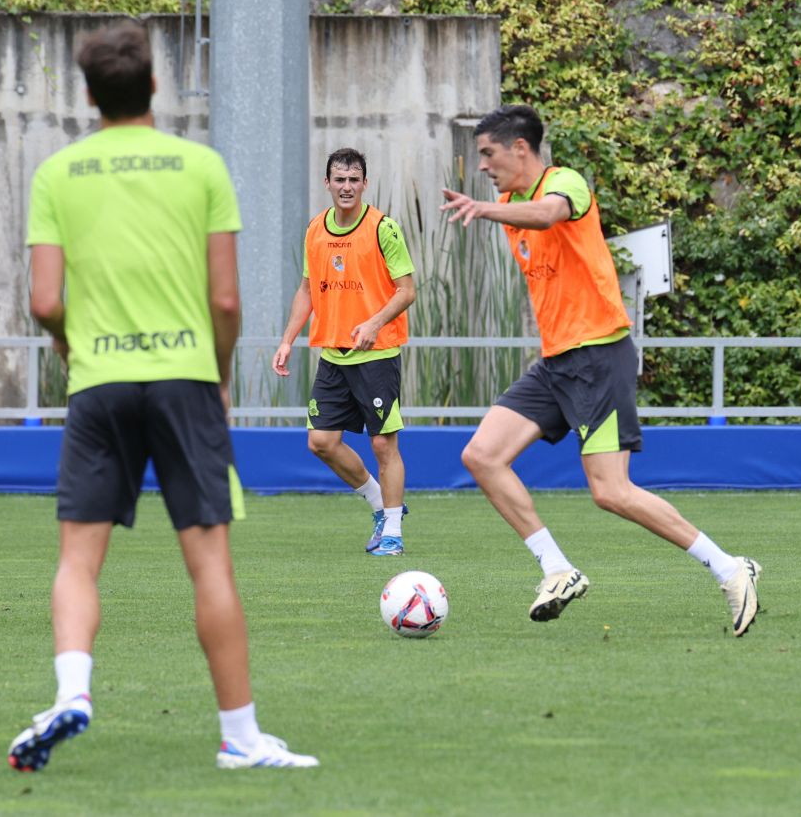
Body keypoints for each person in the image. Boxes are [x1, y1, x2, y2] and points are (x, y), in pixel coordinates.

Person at [10, 20, 318, 772]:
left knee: (78, 560)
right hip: (183, 378)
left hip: (99, 385)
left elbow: (44, 300)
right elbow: (226, 300)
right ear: (154, 85)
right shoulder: (200, 166)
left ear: (89, 96)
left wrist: (70, 347)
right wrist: (215, 375)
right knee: (209, 564)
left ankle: (73, 692)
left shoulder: (57, 174)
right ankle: (241, 738)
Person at [440, 104, 762, 636]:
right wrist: (492, 206)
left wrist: (483, 209)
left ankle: (730, 569)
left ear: (520, 148)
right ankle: (557, 569)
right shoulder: (505, 200)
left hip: (598, 356)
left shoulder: (564, 182)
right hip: (557, 362)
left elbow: (549, 214)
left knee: (611, 492)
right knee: (481, 455)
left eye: (488, 153)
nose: (483, 166)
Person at [272, 149, 416, 556]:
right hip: (333, 357)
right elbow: (307, 289)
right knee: (320, 442)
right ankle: (381, 506)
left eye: (354, 180)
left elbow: (407, 291)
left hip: (376, 356)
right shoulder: (315, 229)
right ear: (328, 184)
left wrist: (373, 323)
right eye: (340, 179)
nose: (347, 187)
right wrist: (287, 340)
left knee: (384, 446)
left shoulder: (383, 228)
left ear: (364, 184)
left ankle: (392, 534)